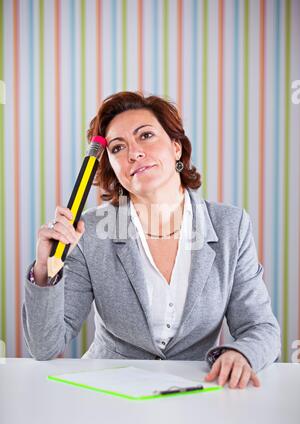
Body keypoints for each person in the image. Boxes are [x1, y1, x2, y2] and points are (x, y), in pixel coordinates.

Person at [22, 91, 281, 389]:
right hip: (110, 395)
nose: (133, 153)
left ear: (175, 147)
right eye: (118, 147)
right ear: (113, 167)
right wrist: (44, 268)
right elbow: (43, 346)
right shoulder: (91, 230)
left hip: (195, 393)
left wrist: (241, 353)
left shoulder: (230, 226)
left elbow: (260, 327)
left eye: (145, 135)